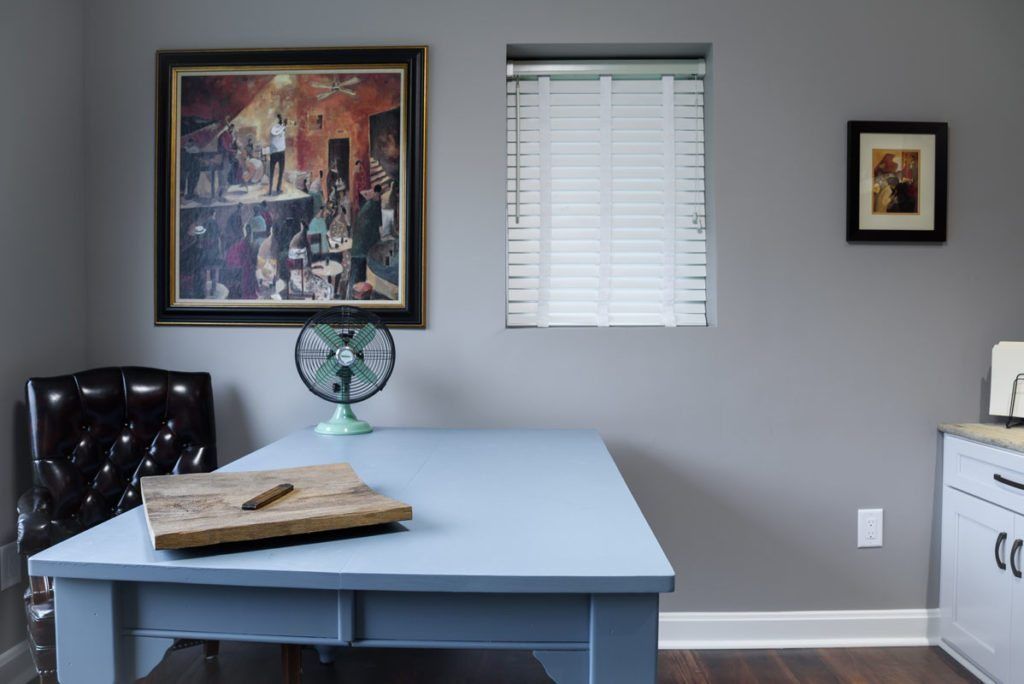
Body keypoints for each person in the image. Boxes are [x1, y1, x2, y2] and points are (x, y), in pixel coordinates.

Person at [348, 184, 382, 298]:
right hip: (361, 249)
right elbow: (376, 228)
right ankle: (354, 299)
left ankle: (352, 298)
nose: (378, 197)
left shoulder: (370, 205)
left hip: (359, 248)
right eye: (377, 195)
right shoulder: (373, 206)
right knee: (357, 279)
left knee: (356, 277)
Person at [215, 120, 236, 199]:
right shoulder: (224, 135)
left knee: (225, 174)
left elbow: (229, 145)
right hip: (223, 156)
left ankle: (222, 193)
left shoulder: (229, 135)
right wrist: (231, 150)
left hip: (226, 156)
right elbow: (225, 147)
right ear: (229, 128)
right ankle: (221, 194)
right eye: (231, 129)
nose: (232, 131)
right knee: (222, 175)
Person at [267, 114, 287, 195]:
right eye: (280, 120)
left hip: (281, 152)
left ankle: (277, 188)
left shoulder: (281, 129)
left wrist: (283, 127)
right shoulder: (274, 128)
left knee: (281, 172)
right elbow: (275, 132)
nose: (281, 121)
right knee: (271, 172)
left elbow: (282, 133)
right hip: (275, 153)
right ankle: (270, 190)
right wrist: (283, 126)